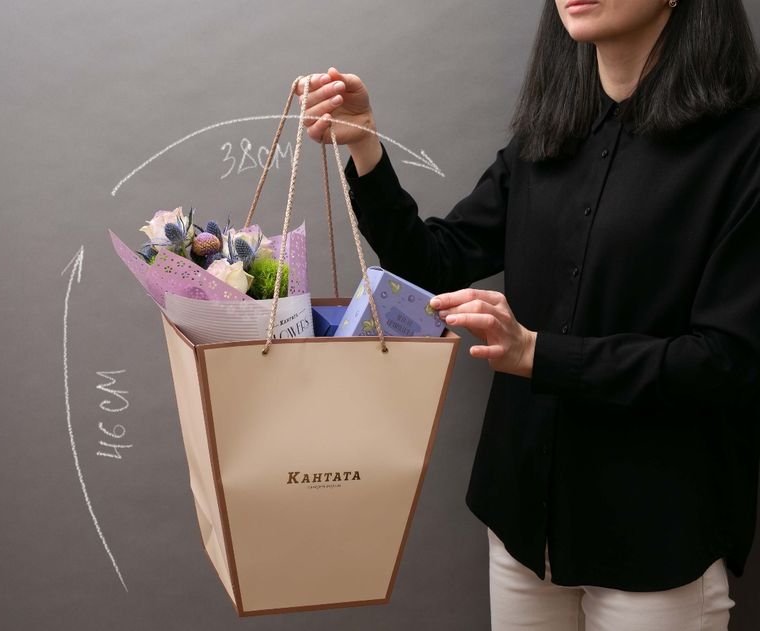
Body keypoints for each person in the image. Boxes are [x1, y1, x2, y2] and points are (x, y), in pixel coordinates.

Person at [298, 0, 760, 629]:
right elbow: (436, 261)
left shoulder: (742, 147)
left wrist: (540, 354)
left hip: (656, 538)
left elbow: (729, 361)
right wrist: (365, 146)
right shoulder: (548, 134)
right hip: (520, 522)